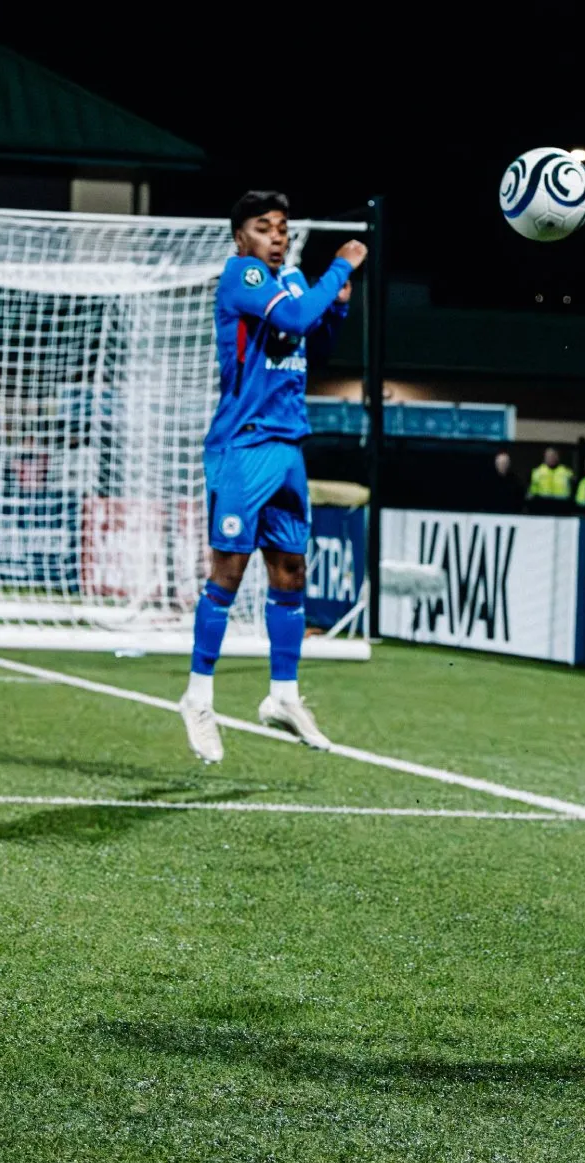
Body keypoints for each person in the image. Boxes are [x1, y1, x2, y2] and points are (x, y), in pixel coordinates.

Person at [177, 190, 366, 762]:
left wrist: (336, 303)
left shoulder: (289, 284)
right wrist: (340, 268)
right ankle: (198, 697)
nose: (277, 236)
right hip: (244, 445)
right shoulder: (244, 277)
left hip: (287, 445)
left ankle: (282, 695)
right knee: (229, 570)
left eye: (282, 228)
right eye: (264, 227)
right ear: (242, 237)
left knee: (290, 568)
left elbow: (315, 338)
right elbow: (293, 318)